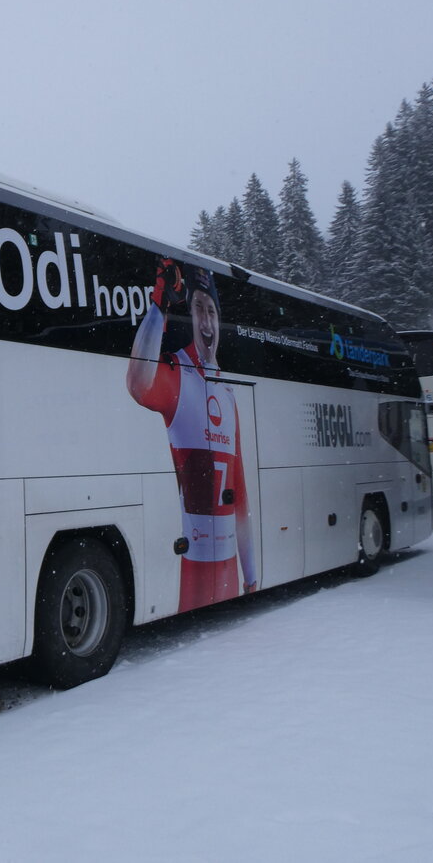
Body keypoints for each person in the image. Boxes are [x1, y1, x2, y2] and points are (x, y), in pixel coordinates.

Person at [126, 258, 257, 611]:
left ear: (219, 320)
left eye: (212, 310)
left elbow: (240, 494)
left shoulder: (228, 393)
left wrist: (252, 575)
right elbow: (138, 383)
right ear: (190, 317)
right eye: (198, 308)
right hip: (194, 564)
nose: (206, 318)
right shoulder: (177, 370)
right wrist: (159, 306)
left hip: (229, 566)